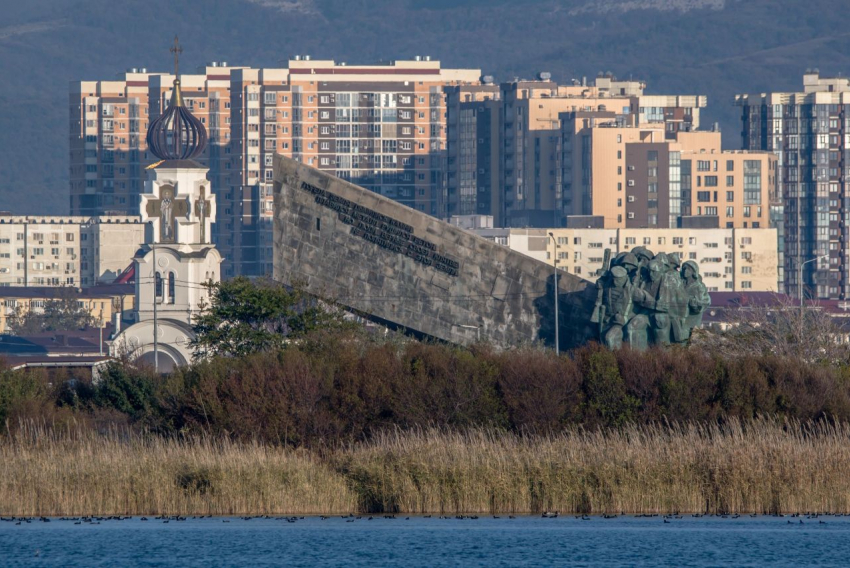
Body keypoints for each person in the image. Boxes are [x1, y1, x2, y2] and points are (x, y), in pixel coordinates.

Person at [600, 266, 633, 350]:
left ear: (624, 278)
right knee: (602, 339)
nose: (614, 282)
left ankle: (615, 359)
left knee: (610, 338)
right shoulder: (607, 286)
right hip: (607, 320)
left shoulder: (631, 290)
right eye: (613, 279)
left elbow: (646, 300)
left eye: (618, 280)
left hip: (620, 322)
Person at [681, 260, 710, 337]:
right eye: (684, 269)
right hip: (680, 314)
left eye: (688, 269)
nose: (685, 271)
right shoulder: (679, 284)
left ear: (693, 272)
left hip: (693, 316)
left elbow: (706, 301)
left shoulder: (699, 286)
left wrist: (696, 304)